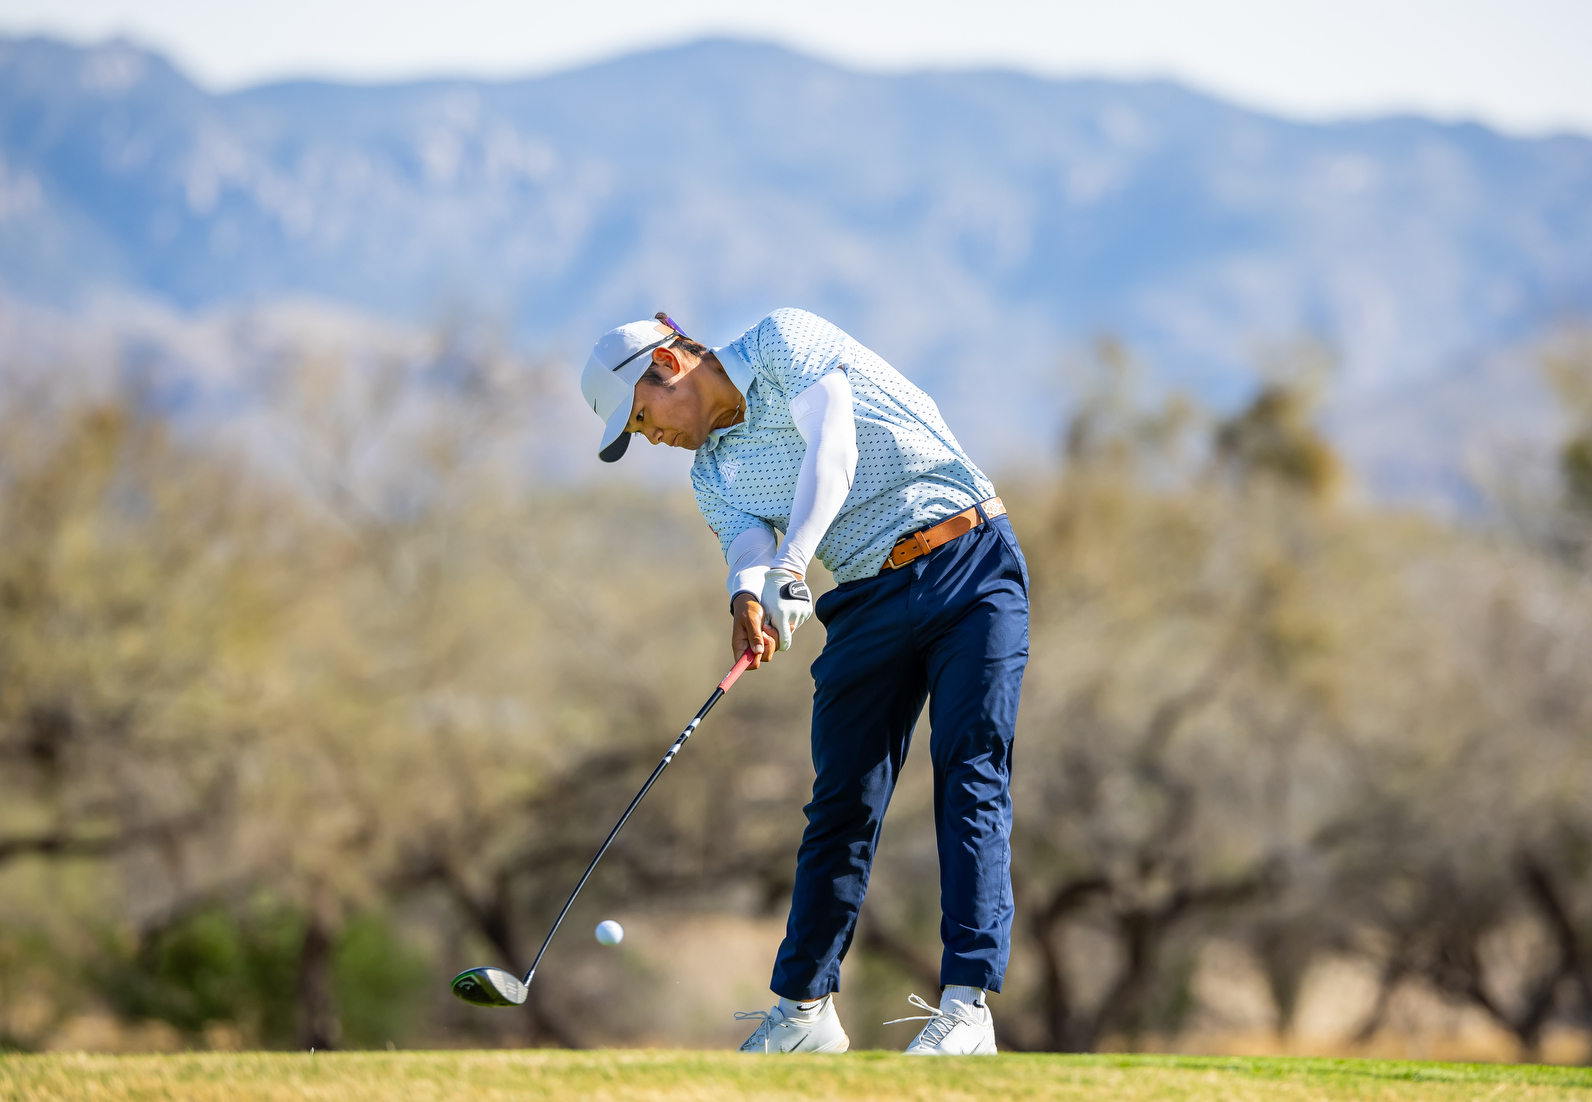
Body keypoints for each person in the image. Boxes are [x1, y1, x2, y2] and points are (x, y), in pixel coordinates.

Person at [580, 308, 1029, 1055]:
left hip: (969, 561)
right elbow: (746, 545)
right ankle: (804, 1013)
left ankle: (966, 1008)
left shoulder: (783, 341)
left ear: (666, 366)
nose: (649, 438)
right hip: (866, 596)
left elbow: (834, 449)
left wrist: (791, 566)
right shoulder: (711, 473)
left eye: (641, 419)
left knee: (970, 770)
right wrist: (748, 596)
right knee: (841, 799)